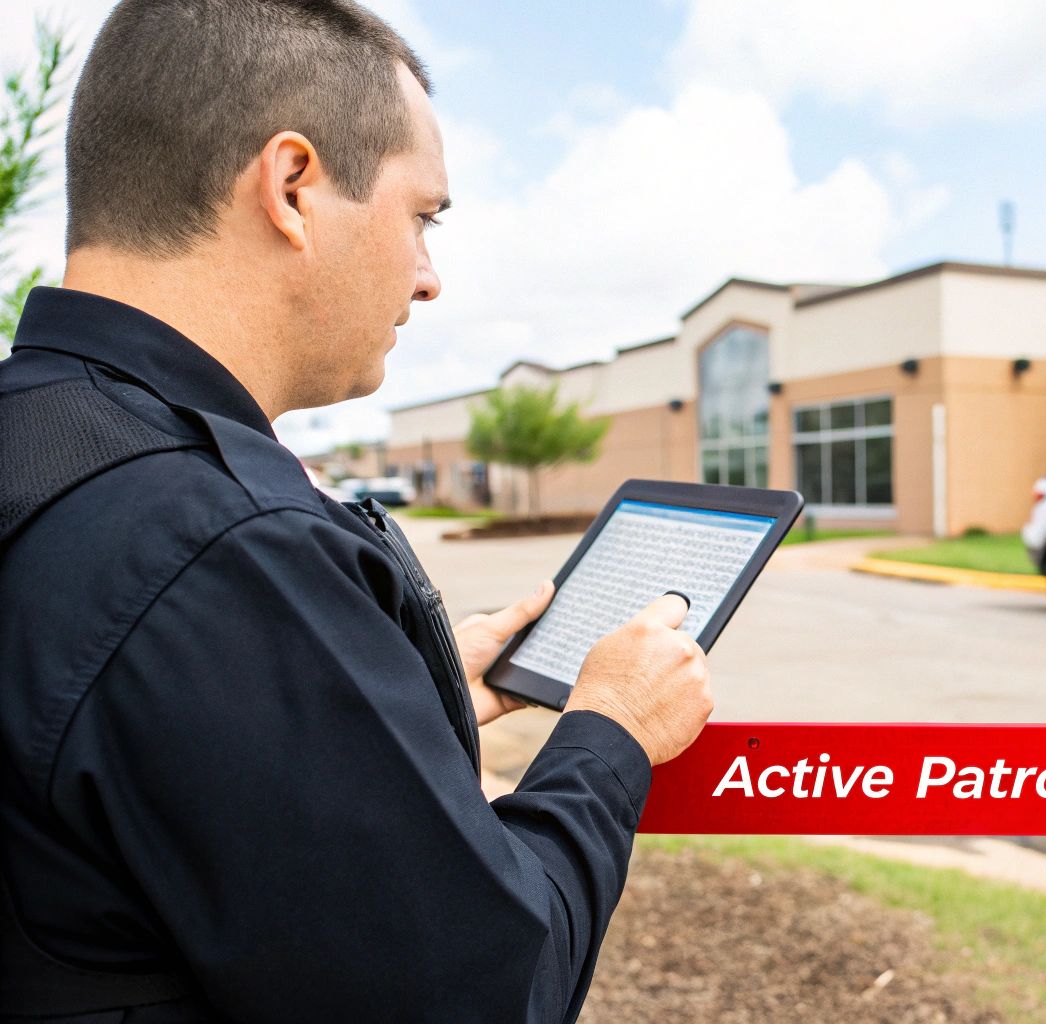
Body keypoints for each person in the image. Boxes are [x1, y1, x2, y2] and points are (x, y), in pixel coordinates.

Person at [0, 1, 713, 1020]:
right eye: (423, 217)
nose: (429, 278)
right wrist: (612, 729)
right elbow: (484, 994)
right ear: (292, 187)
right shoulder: (224, 552)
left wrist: (392, 695)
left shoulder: (37, 438)